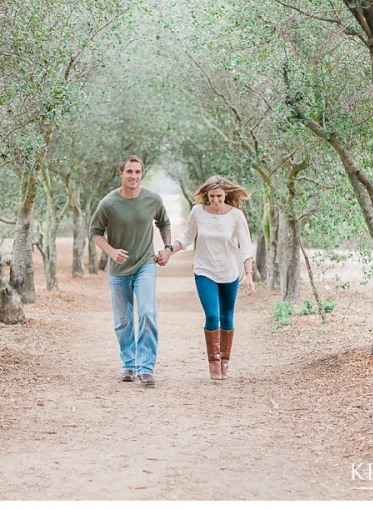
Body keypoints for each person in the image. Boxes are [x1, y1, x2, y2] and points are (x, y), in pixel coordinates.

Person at [157, 175, 255, 380]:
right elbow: (185, 238)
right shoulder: (198, 212)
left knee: (227, 316)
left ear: (225, 194)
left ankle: (225, 361)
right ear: (206, 195)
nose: (215, 200)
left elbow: (246, 248)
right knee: (212, 315)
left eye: (219, 196)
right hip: (205, 270)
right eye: (211, 196)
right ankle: (214, 363)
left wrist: (249, 276)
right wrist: (168, 251)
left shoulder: (236, 215)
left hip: (229, 271)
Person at [89, 155, 172, 388]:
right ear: (121, 174)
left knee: (147, 313)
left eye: (137, 172)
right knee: (123, 321)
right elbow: (94, 232)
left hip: (145, 264)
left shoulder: (152, 199)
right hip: (118, 270)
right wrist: (111, 251)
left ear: (142, 174)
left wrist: (166, 248)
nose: (133, 176)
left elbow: (164, 223)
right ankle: (129, 364)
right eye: (129, 172)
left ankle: (146, 369)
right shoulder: (108, 203)